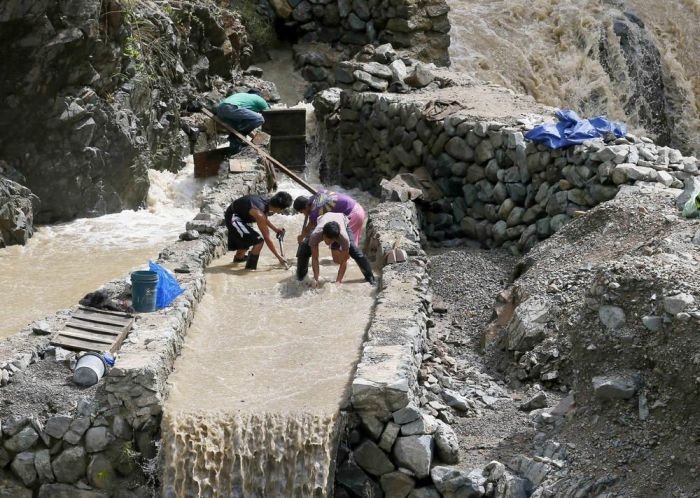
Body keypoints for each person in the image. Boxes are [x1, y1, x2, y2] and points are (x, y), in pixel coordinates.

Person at [296, 212, 376, 287]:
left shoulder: (343, 238)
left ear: (336, 238)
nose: (329, 242)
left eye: (332, 240)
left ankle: (370, 277)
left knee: (354, 250)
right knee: (304, 248)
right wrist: (316, 278)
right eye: (328, 239)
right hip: (324, 220)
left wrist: (338, 281)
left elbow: (344, 261)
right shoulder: (315, 235)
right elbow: (315, 258)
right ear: (323, 234)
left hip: (342, 222)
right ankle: (301, 278)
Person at [224, 191, 291, 270]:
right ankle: (250, 269)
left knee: (245, 242)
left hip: (240, 216)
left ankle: (238, 259)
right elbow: (267, 238)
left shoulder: (266, 201)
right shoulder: (259, 212)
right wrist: (278, 257)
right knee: (259, 241)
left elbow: (264, 218)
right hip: (234, 218)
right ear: (279, 208)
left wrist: (275, 229)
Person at [293, 189, 367, 246]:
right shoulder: (318, 194)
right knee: (351, 243)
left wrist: (301, 237)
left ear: (306, 207)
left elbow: (310, 228)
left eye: (302, 212)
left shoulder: (314, 212)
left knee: (340, 245)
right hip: (358, 208)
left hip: (353, 215)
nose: (304, 214)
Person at [215, 89, 270, 154]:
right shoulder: (259, 99)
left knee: (236, 129)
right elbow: (269, 113)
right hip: (231, 108)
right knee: (260, 119)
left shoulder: (243, 96)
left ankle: (234, 150)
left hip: (221, 109)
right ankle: (240, 134)